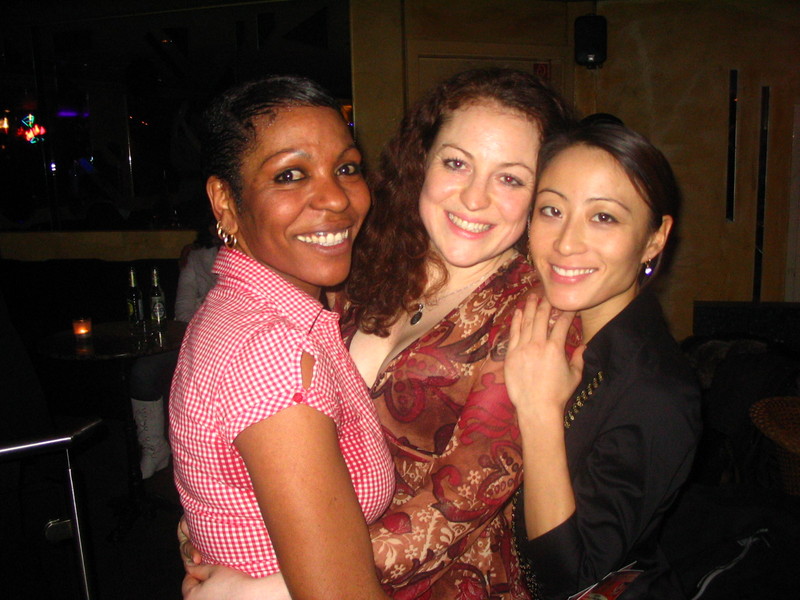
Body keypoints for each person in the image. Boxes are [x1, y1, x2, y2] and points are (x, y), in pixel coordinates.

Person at [182, 68, 576, 599]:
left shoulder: (535, 316)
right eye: (456, 163)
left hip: (441, 584)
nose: (474, 198)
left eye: (510, 178)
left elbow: (458, 501)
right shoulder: (361, 263)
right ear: (422, 163)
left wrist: (274, 585)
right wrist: (213, 529)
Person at [169, 74, 396, 598]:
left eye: (347, 168)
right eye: (290, 175)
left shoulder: (249, 306)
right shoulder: (272, 349)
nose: (336, 198)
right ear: (225, 201)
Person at [503, 122, 702, 599]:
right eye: (552, 210)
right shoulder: (542, 319)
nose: (566, 243)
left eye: (604, 217)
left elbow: (566, 581)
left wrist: (539, 412)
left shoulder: (659, 393)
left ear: (655, 239)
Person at [130, 227, 220, 479]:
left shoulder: (259, 249)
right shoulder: (198, 257)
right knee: (144, 370)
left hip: (240, 342)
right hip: (197, 336)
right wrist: (205, 328)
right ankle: (154, 448)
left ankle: (213, 460)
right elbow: (182, 308)